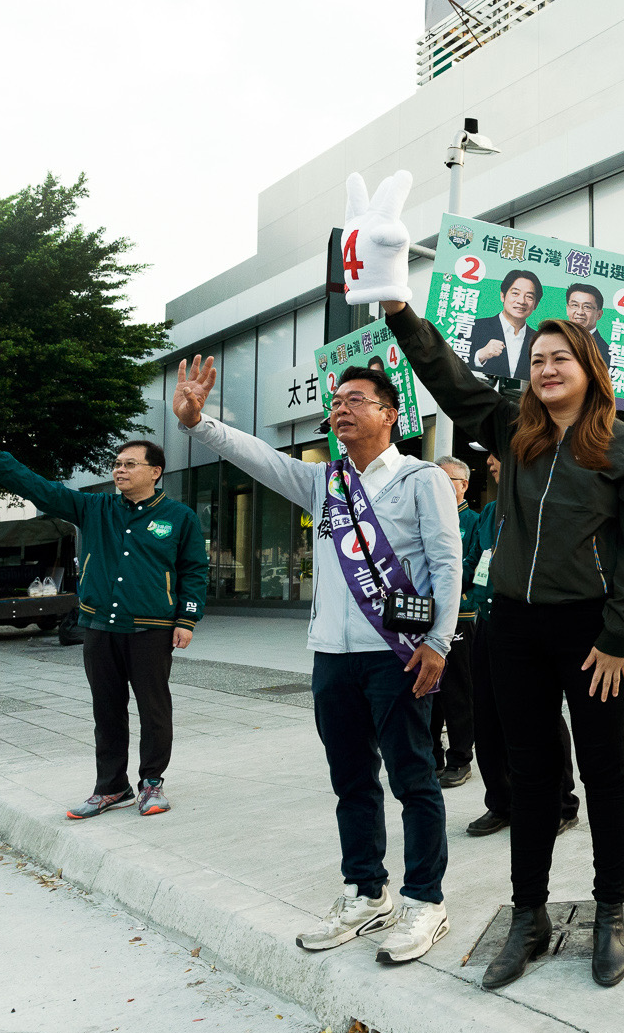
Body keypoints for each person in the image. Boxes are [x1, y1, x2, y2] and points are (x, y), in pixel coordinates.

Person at [382, 302, 624, 992]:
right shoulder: (514, 430)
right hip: (513, 627)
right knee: (532, 775)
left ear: (589, 368)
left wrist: (619, 634)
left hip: (591, 633)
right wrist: (398, 312)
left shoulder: (623, 446)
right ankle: (528, 915)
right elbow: (447, 377)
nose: (545, 368)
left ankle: (610, 913)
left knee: (604, 770)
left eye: (559, 357)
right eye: (536, 360)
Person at [173, 359, 463, 966]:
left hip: (398, 657)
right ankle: (366, 891)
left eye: (356, 399)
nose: (341, 408)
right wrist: (200, 425)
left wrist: (437, 642)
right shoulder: (325, 482)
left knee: (413, 778)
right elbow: (262, 459)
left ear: (390, 414)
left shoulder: (420, 478)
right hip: (332, 658)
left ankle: (425, 900)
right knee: (351, 780)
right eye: (337, 400)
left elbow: (446, 562)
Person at [0, 431, 206, 820]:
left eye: (129, 464)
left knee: (154, 709)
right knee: (106, 710)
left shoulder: (179, 517)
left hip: (151, 628)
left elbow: (193, 570)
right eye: (117, 464)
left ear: (155, 472)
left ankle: (151, 784)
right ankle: (111, 787)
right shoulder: (95, 508)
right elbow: (39, 489)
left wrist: (186, 618)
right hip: (100, 626)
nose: (119, 470)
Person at [459, 451, 581, 840]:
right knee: (488, 716)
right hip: (488, 625)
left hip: (531, 626)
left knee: (540, 716)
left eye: (496, 454)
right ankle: (501, 801)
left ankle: (563, 804)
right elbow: (473, 564)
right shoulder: (489, 511)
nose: (490, 463)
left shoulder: (545, 502)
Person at [430, 457, 477, 788]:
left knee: (458, 689)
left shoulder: (474, 521)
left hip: (461, 615)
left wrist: (450, 586)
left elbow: (475, 563)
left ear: (464, 485)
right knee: (426, 688)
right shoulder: (425, 517)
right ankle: (430, 755)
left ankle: (460, 758)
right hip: (423, 616)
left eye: (448, 480)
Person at [464, 269, 543, 378]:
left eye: (529, 296)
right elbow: (454, 369)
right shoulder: (473, 327)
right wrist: (480, 356)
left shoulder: (540, 340)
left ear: (536, 304)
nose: (521, 301)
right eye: (515, 293)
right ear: (503, 296)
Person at [565, 282, 607, 350]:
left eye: (587, 307)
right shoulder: (555, 339)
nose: (580, 312)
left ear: (599, 314)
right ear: (567, 309)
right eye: (575, 305)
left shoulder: (604, 352)